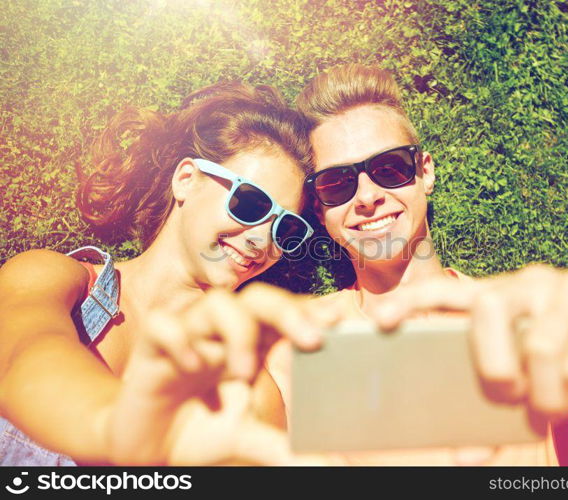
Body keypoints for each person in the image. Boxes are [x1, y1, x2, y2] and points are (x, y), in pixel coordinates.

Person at [259, 64, 568, 465]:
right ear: (319, 209)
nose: (368, 196)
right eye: (337, 183)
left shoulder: (526, 316)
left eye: (390, 168)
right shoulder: (292, 346)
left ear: (425, 171)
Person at [0, 81, 340, 466]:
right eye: (251, 203)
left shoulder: (252, 391)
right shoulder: (50, 277)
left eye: (285, 229)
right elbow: (24, 363)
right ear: (187, 180)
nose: (262, 240)